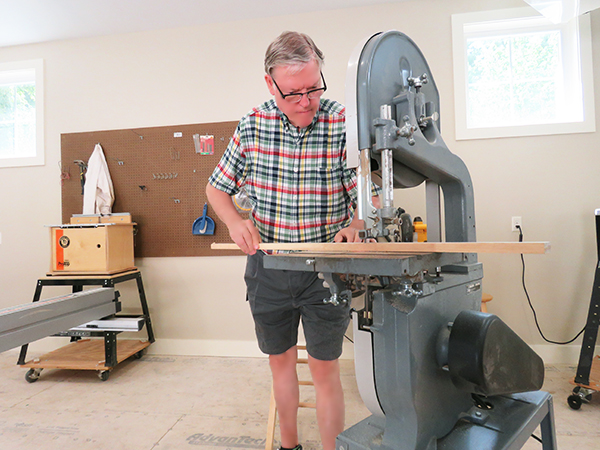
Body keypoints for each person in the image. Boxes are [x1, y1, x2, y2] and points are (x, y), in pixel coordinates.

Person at [206, 31, 379, 450]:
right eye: (293, 93)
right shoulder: (252, 124)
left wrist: (357, 222)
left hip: (325, 272)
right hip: (269, 268)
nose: (306, 101)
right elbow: (216, 189)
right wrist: (232, 222)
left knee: (324, 370)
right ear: (271, 84)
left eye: (313, 89)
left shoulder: (341, 122)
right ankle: (288, 446)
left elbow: (366, 192)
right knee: (280, 365)